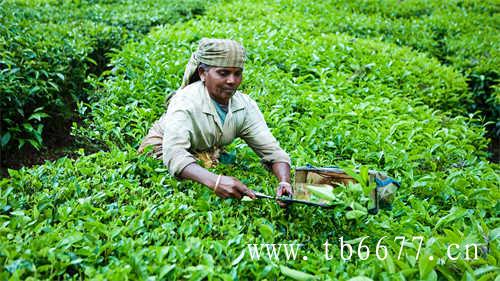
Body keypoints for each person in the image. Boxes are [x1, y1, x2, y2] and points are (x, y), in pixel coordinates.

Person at [138, 38, 292, 207]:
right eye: (223, 73)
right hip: (161, 149)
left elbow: (273, 152)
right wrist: (216, 182)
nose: (232, 81)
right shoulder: (185, 102)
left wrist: (284, 182)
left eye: (237, 73)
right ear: (203, 73)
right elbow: (175, 155)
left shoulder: (244, 106)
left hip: (205, 148)